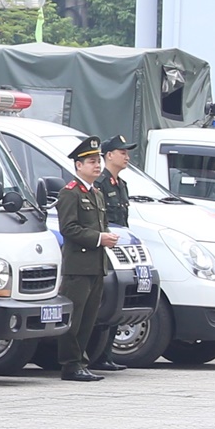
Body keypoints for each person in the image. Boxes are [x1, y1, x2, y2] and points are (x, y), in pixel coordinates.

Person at [56, 136, 115, 382]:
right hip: (78, 267)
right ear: (78, 165)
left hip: (95, 265)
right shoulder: (70, 193)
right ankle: (70, 364)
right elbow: (68, 228)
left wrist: (106, 236)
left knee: (88, 319)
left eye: (98, 161)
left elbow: (101, 223)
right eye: (91, 162)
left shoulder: (96, 193)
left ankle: (81, 361)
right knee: (75, 318)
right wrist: (99, 238)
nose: (97, 166)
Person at [90, 135, 135, 371]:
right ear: (109, 155)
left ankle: (106, 354)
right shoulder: (100, 184)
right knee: (103, 302)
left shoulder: (122, 185)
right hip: (103, 248)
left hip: (119, 248)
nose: (127, 157)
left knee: (118, 302)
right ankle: (96, 354)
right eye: (122, 152)